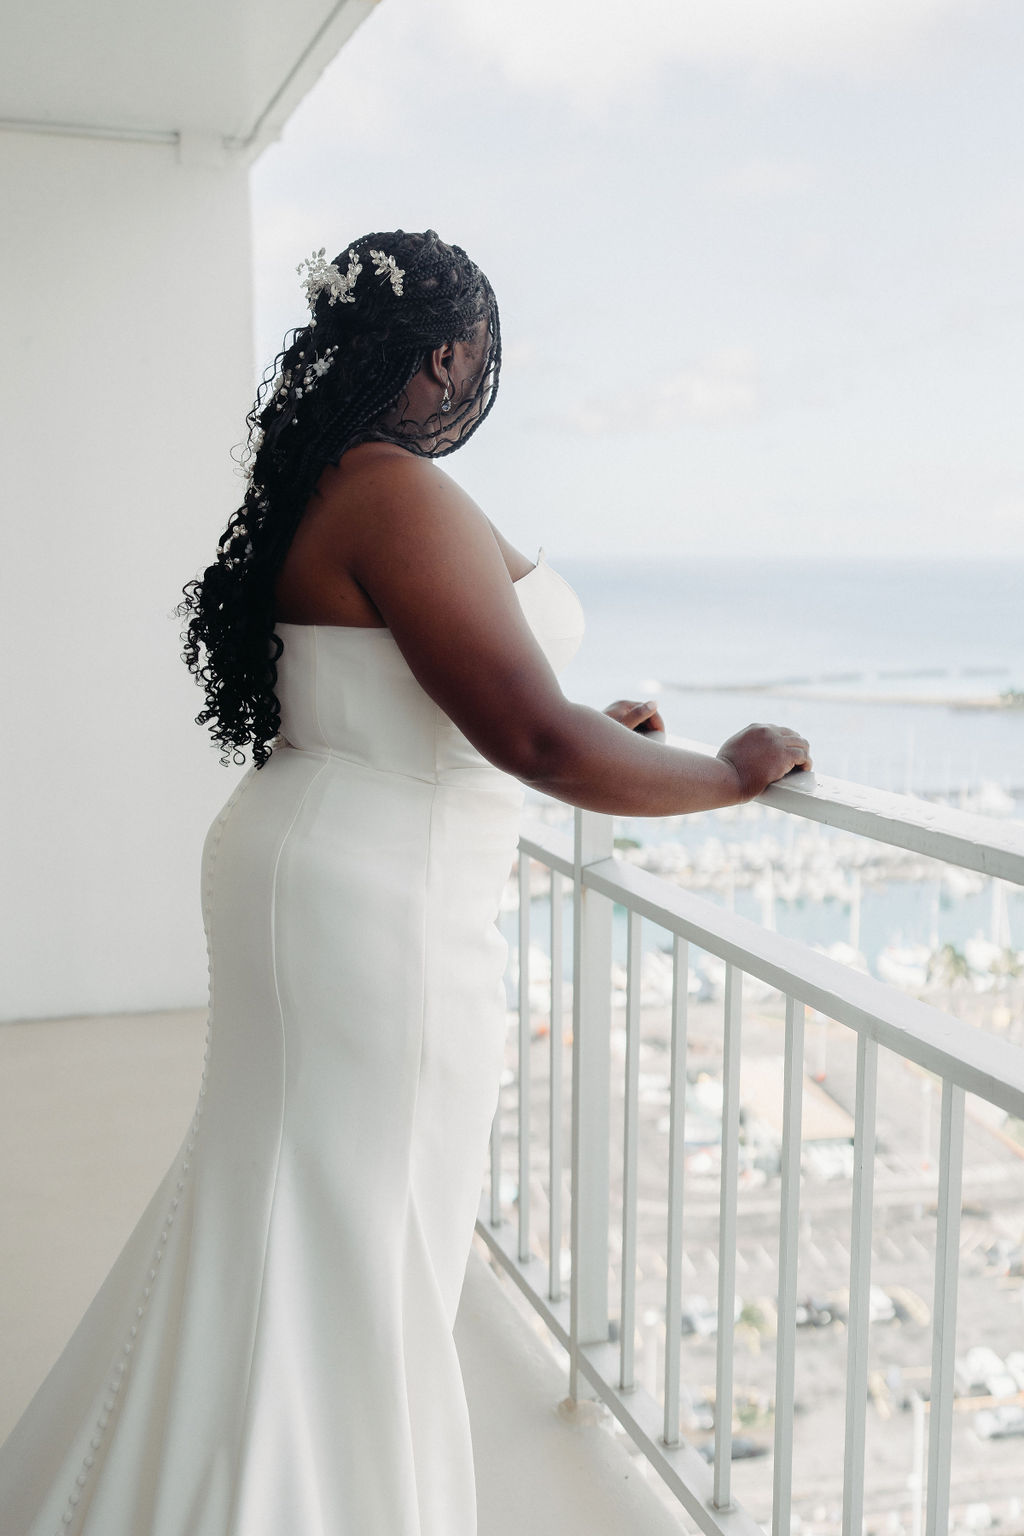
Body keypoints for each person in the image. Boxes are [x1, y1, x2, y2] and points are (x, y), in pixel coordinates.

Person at [0, 229, 811, 1535]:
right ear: (448, 354)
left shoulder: (325, 481)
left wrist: (591, 726)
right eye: (484, 363)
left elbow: (441, 700)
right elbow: (532, 737)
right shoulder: (395, 491)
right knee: (356, 1242)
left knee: (295, 1215)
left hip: (326, 860)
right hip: (381, 904)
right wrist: (730, 772)